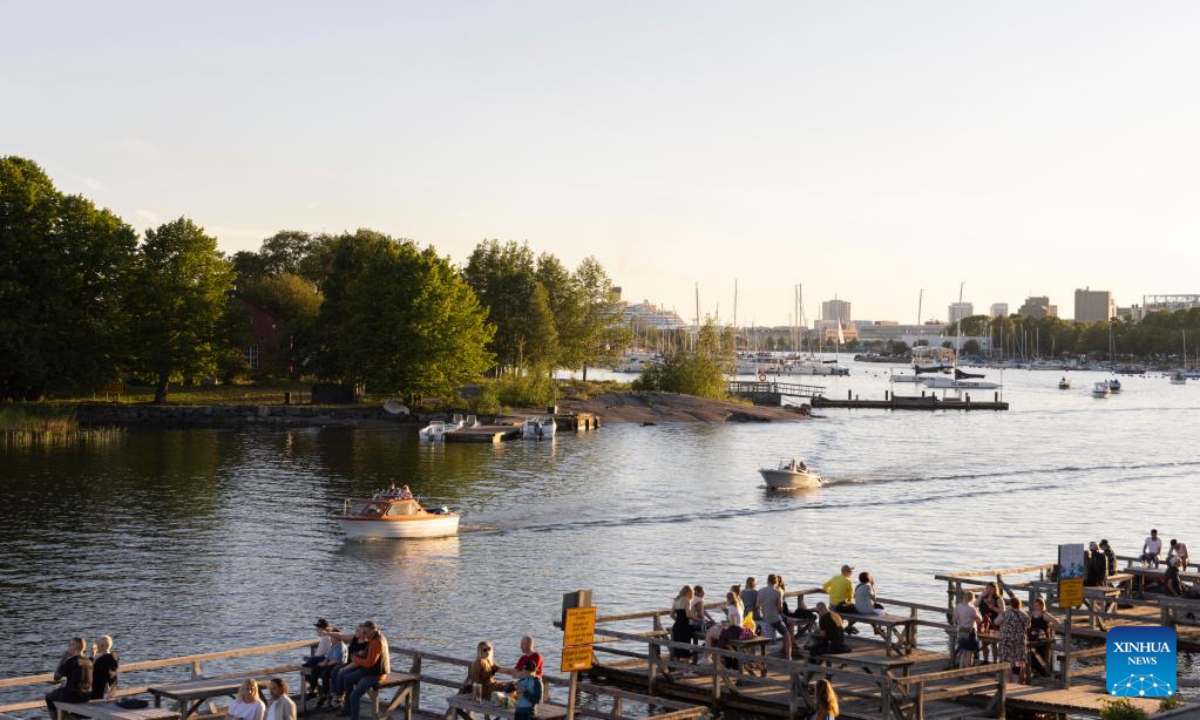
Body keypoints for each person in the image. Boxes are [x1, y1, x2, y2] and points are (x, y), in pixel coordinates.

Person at [342, 621, 389, 720]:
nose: (364, 634)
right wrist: (360, 654)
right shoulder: (374, 638)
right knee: (347, 678)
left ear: (372, 630)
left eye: (365, 632)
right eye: (363, 632)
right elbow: (370, 656)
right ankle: (347, 710)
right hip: (370, 670)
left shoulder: (376, 641)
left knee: (354, 696)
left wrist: (356, 659)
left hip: (376, 674)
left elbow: (370, 662)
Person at [46, 637, 93, 719]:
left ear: (76, 646)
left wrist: (63, 658)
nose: (68, 647)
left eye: (70, 644)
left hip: (73, 696)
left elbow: (56, 677)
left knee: (49, 697)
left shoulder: (71, 661)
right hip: (87, 695)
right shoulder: (89, 661)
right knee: (60, 693)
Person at [757, 574, 793, 659]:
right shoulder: (777, 592)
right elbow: (780, 609)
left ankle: (763, 657)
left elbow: (757, 606)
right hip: (775, 618)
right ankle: (788, 657)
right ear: (776, 582)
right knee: (786, 634)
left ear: (767, 581)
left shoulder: (761, 591)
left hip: (765, 617)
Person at [995, 597, 1031, 683]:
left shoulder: (1005, 614)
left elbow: (996, 622)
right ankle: (1016, 680)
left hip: (1006, 640)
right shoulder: (1024, 614)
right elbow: (1028, 625)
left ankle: (1004, 680)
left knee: (1005, 659)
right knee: (1018, 661)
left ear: (1010, 604)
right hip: (1019, 641)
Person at [458, 641, 498, 713]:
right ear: (480, 651)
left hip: (489, 686)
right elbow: (477, 682)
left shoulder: (489, 661)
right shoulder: (479, 662)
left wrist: (515, 671)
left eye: (489, 649)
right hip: (484, 690)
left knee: (511, 686)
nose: (487, 652)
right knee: (508, 688)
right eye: (485, 650)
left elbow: (499, 669)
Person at [315, 628, 348, 708]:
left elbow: (336, 661)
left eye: (332, 637)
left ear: (337, 637)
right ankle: (318, 691)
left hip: (338, 665)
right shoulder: (332, 646)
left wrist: (325, 664)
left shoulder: (341, 645)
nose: (331, 639)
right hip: (330, 663)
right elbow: (327, 657)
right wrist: (323, 663)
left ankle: (328, 695)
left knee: (325, 673)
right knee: (316, 669)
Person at [1027, 599, 1059, 677]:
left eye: (1037, 605)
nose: (1035, 606)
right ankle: (1036, 673)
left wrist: (1050, 627)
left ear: (1041, 605)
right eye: (1034, 605)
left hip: (1043, 639)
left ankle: (1044, 673)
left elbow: (1056, 622)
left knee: (1043, 656)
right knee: (1032, 656)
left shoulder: (1045, 614)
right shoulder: (1033, 613)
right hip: (1033, 638)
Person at [824, 565, 859, 634]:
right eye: (850, 571)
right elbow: (851, 596)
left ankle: (840, 630)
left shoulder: (834, 578)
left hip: (832, 606)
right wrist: (850, 604)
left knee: (839, 619)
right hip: (840, 607)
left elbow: (825, 586)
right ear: (845, 572)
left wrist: (830, 592)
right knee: (857, 613)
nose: (851, 573)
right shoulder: (848, 581)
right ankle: (848, 627)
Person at [953, 591, 982, 668]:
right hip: (969, 631)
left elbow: (954, 620)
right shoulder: (972, 608)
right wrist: (978, 612)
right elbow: (979, 620)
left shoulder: (957, 607)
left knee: (963, 651)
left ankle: (961, 669)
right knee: (969, 653)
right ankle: (967, 670)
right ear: (972, 599)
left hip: (960, 630)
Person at [90, 635, 119, 700]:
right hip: (111, 690)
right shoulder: (114, 657)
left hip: (99, 693)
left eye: (97, 643)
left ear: (102, 646)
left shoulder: (101, 661)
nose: (95, 645)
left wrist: (92, 656)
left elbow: (88, 671)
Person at [670, 587, 695, 661]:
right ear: (689, 593)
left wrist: (678, 620)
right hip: (685, 627)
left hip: (676, 626)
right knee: (685, 647)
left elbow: (671, 615)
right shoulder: (687, 600)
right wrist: (696, 618)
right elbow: (688, 615)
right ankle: (686, 669)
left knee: (677, 649)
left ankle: (678, 667)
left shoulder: (676, 600)